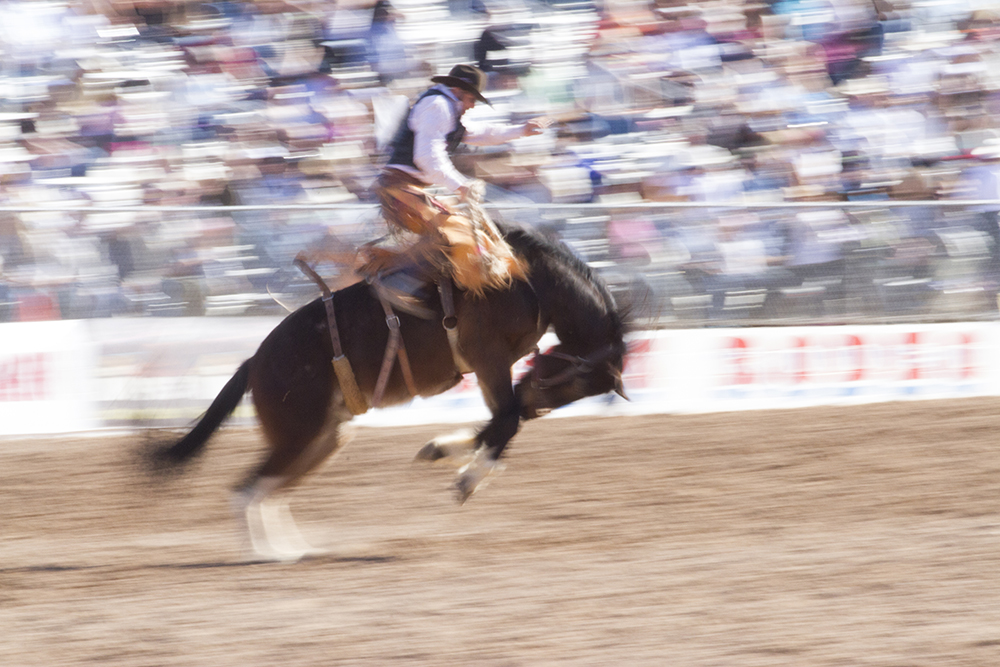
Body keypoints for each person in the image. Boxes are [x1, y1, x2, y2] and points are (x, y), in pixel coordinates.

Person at [366, 63, 548, 305]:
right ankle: (399, 282)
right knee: (454, 235)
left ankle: (408, 281)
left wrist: (521, 130)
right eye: (471, 99)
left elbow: (481, 133)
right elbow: (427, 158)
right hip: (400, 190)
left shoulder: (444, 109)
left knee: (458, 232)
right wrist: (460, 185)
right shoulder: (438, 107)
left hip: (406, 189)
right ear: (457, 91)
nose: (472, 106)